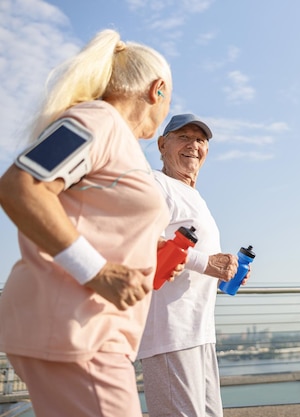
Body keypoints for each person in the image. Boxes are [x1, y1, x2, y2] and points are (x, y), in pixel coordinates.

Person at [0, 29, 173, 417]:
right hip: (79, 330)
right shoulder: (98, 119)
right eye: (169, 99)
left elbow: (94, 216)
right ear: (157, 90)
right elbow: (20, 186)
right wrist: (97, 271)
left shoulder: (119, 141)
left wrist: (150, 249)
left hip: (87, 330)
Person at [137, 113, 248, 417]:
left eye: (200, 140)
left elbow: (193, 258)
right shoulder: (154, 182)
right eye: (183, 137)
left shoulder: (195, 196)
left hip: (200, 331)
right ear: (162, 144)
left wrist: (226, 270)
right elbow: (144, 242)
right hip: (170, 333)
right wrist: (208, 263)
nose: (193, 145)